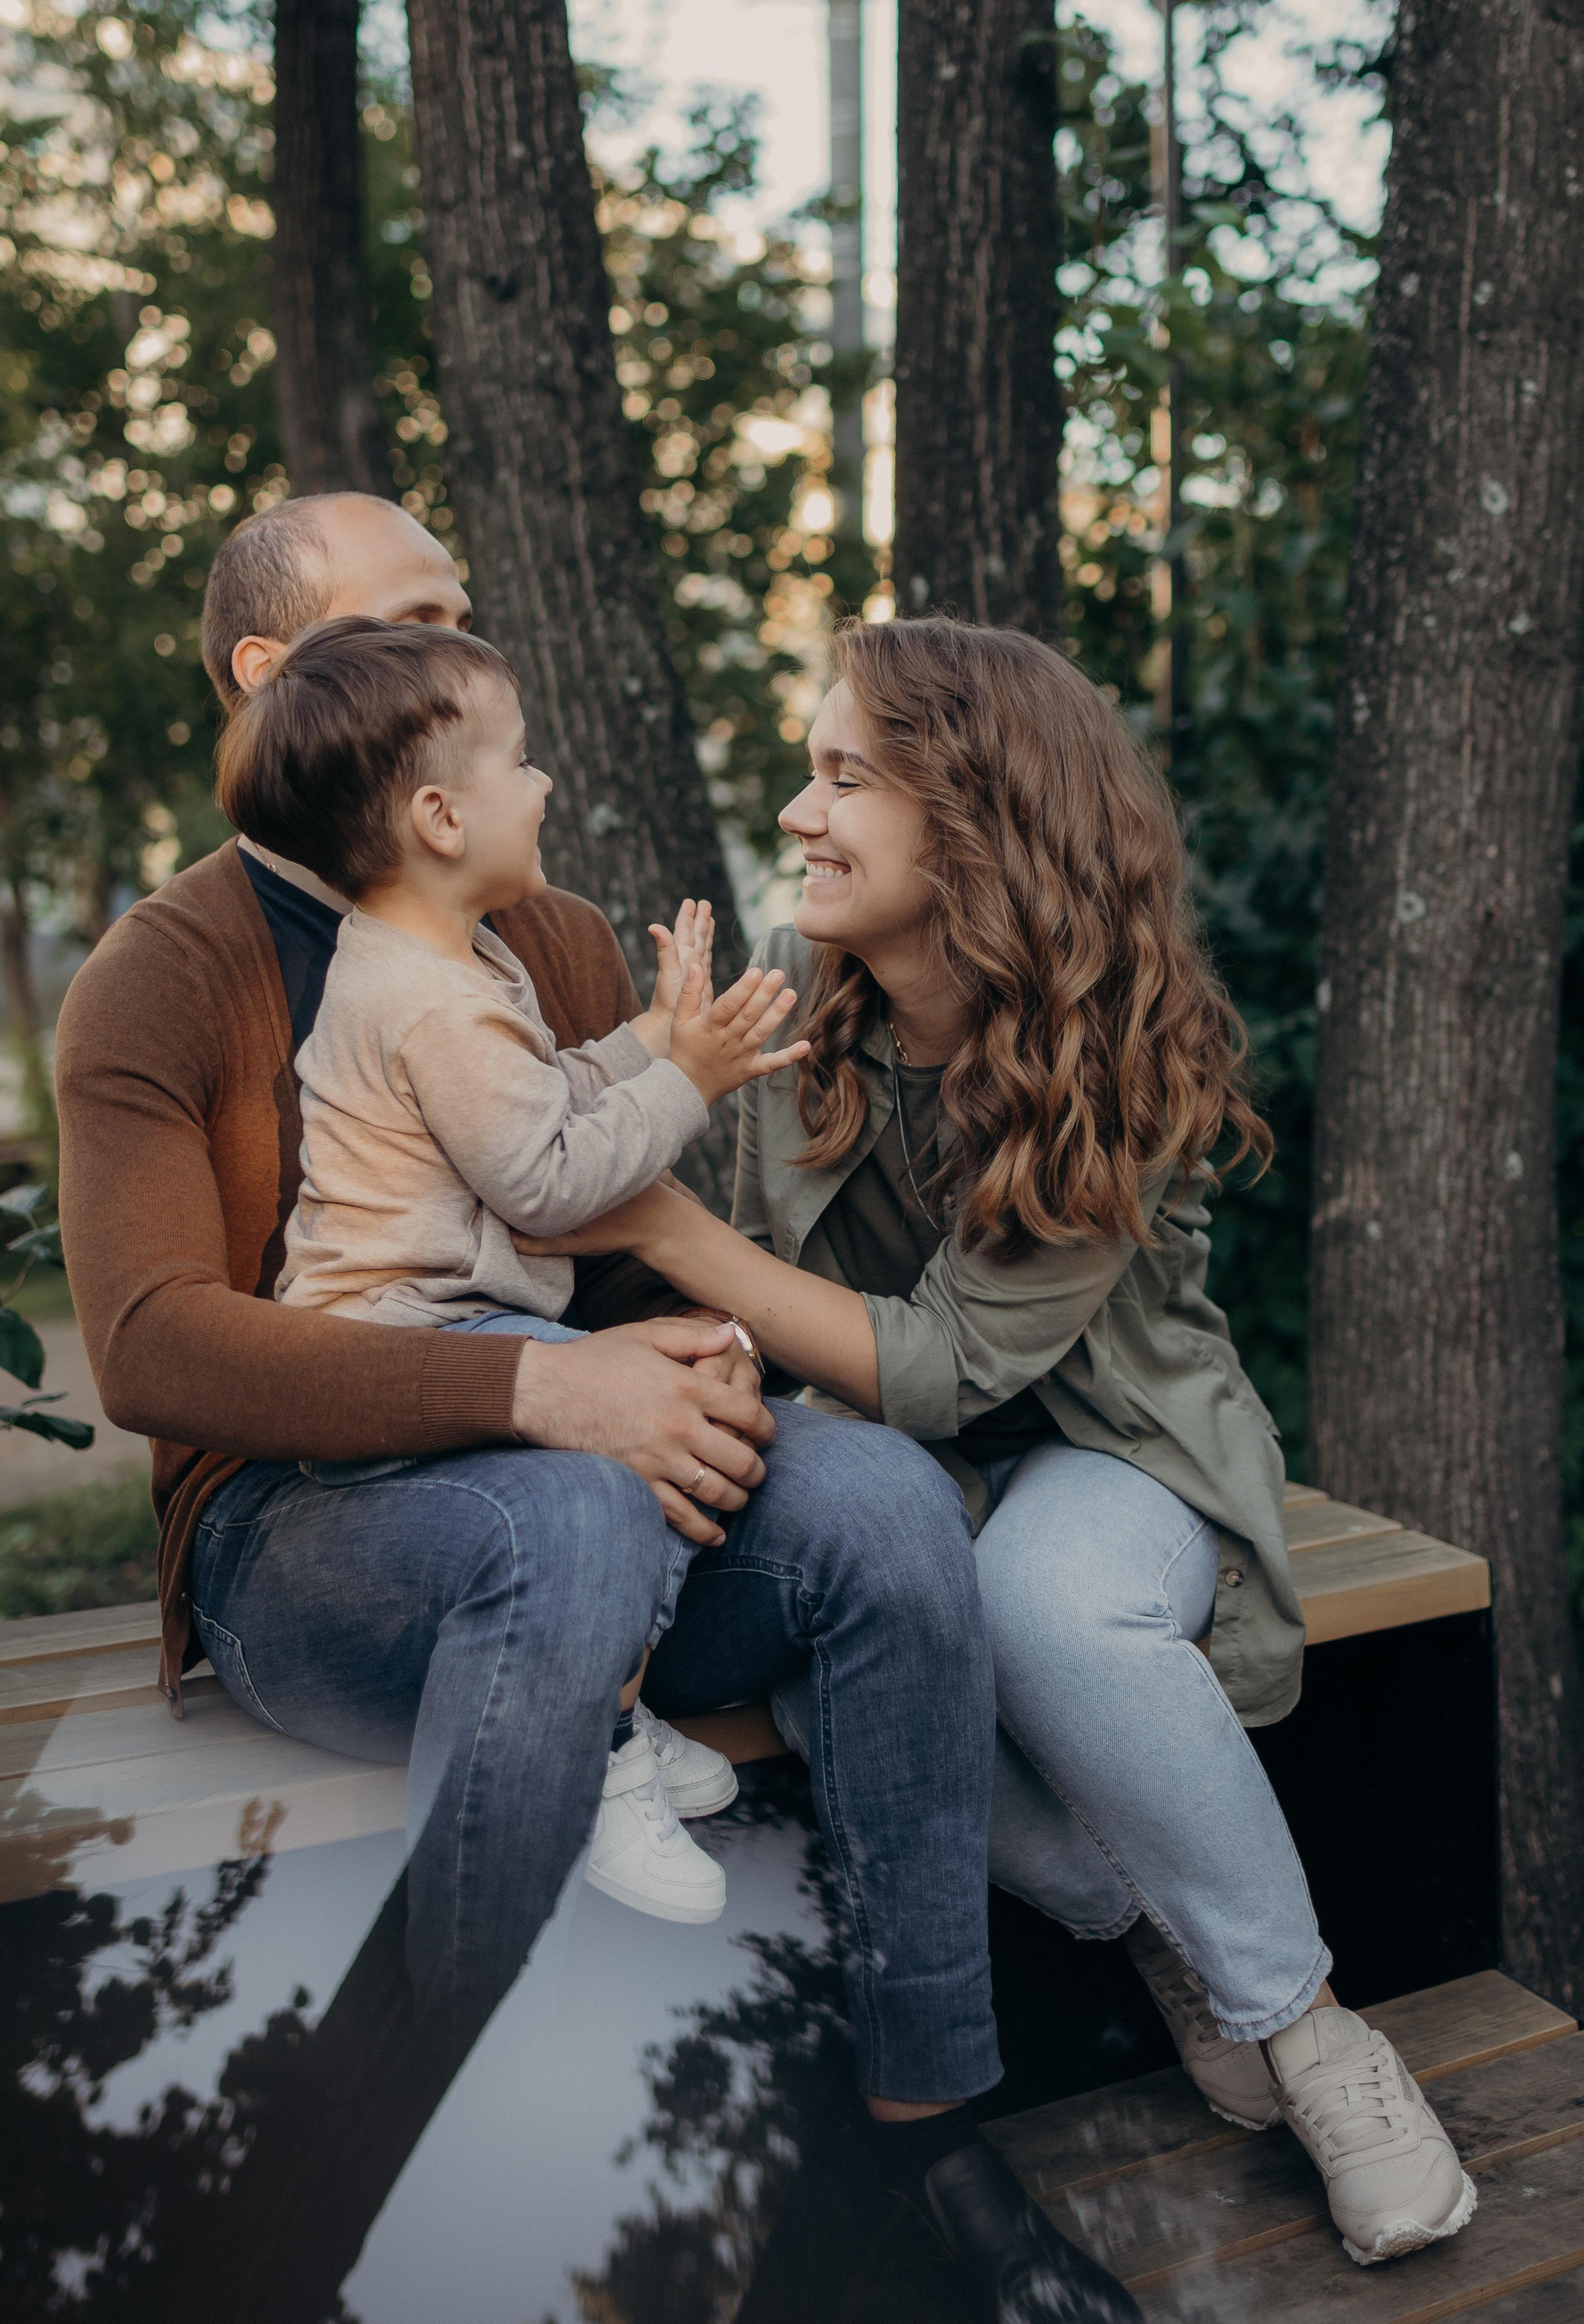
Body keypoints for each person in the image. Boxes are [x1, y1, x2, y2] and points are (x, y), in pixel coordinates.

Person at [51, 497, 1145, 2324]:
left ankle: (929, 2137)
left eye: (464, 616)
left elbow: (610, 1260)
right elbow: (158, 1347)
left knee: (873, 1500)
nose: (478, 659)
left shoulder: (535, 934)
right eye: (415, 622)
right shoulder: (164, 976)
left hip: (585, 1506)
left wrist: (697, 1371)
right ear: (276, 680)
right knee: (561, 1510)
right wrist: (537, 1396)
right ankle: (329, 2201)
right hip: (300, 1542)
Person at [528, 616, 1478, 2273]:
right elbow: (804, 1311)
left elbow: (951, 1363)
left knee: (1044, 1602)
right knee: (849, 1666)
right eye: (809, 778)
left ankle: (1319, 2035)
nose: (800, 818)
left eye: (844, 781)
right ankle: (1167, 1932)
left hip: (1127, 1457)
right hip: (926, 1471)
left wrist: (669, 1232)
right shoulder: (818, 1029)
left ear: (971, 820)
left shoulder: (1100, 1042)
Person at [220, 611, 811, 1923]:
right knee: (644, 1426)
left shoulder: (451, 964)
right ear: (440, 816)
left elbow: (533, 1101)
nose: (543, 783)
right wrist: (690, 1084)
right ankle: (596, 1748)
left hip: (459, 1321)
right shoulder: (429, 996)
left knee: (685, 1385)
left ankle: (610, 1694)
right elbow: (545, 1181)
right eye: (522, 760)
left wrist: (651, 1042)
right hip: (408, 1334)